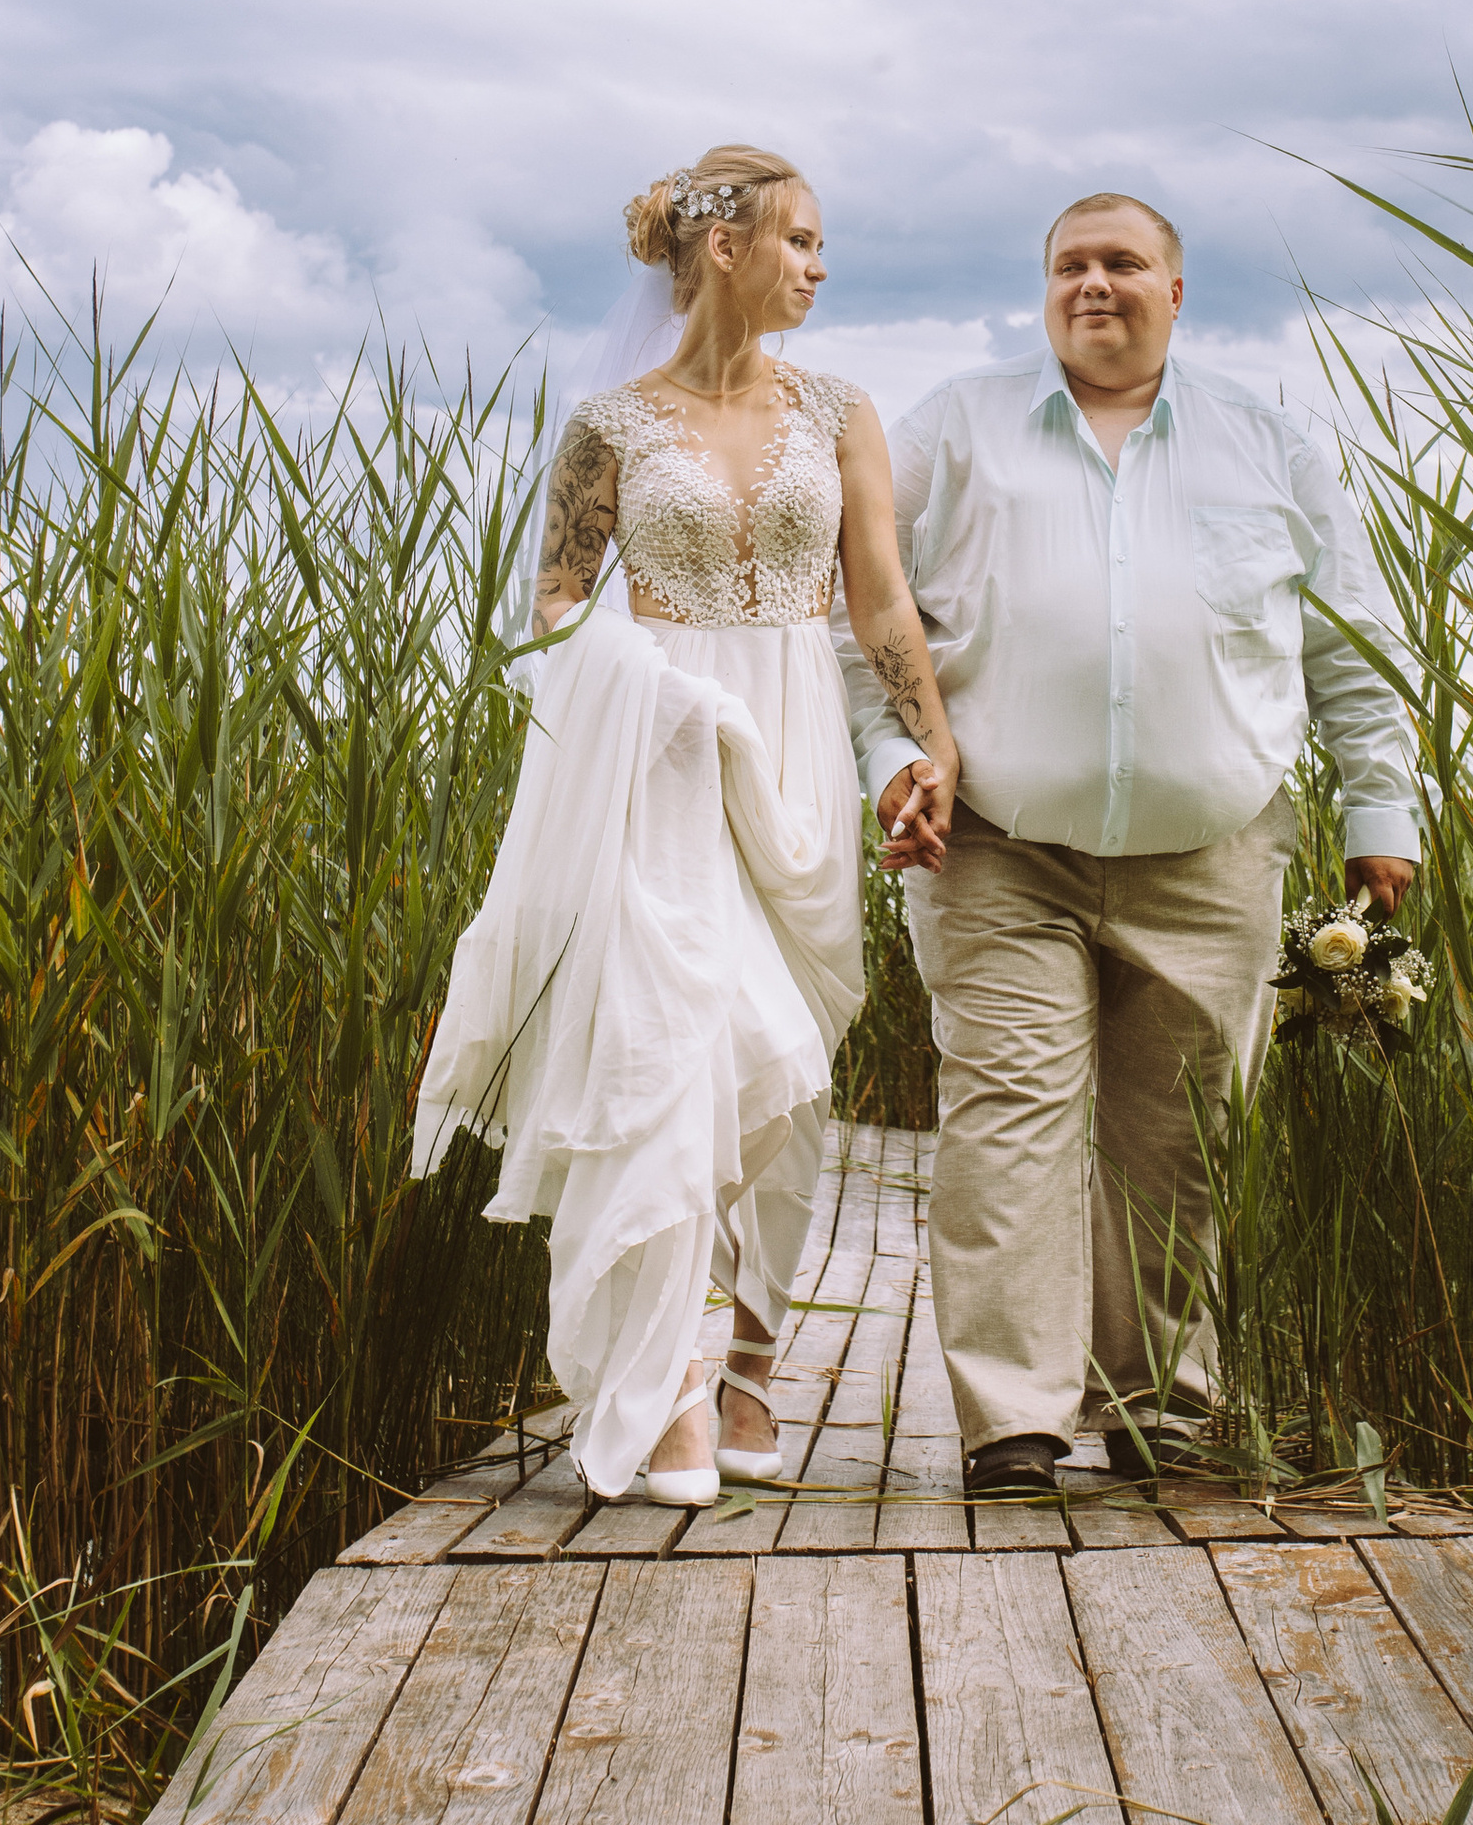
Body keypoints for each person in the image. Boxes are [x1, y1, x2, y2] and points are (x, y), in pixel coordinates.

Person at [838, 193, 1421, 1500]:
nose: (1091, 284)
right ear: (1043, 287)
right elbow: (866, 611)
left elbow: (1352, 644)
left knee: (1185, 1139)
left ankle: (1161, 1403)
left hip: (1212, 854)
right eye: (1067, 265)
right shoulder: (955, 431)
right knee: (1010, 1123)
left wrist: (1382, 814)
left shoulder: (1270, 443)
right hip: (997, 848)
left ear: (1175, 287)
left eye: (1120, 263)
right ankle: (1014, 1422)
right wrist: (895, 761)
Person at [413, 147, 959, 1504]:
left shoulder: (839, 412)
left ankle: (753, 1365)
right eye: (805, 239)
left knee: (796, 1045)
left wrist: (928, 744)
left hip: (793, 754)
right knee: (688, 1043)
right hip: (655, 748)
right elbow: (550, 608)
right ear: (726, 245)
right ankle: (660, 1384)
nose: (821, 266)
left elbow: (878, 600)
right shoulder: (609, 424)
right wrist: (634, 677)